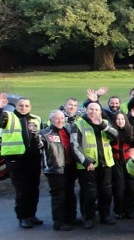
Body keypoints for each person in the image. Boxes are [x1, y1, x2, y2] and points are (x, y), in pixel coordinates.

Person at [72, 102, 119, 228]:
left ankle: (105, 216)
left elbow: (115, 137)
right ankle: (89, 217)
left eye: (96, 109)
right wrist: (86, 162)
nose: (94, 112)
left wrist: (103, 126)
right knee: (90, 194)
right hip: (87, 166)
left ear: (100, 111)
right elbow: (75, 146)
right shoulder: (78, 124)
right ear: (86, 110)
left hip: (106, 163)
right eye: (91, 109)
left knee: (106, 192)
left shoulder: (105, 123)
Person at [0, 94, 43, 229]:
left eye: (26, 106)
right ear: (16, 107)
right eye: (21, 105)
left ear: (30, 107)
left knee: (34, 189)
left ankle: (32, 215)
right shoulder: (8, 116)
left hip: (33, 158)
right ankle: (23, 217)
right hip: (16, 159)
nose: (23, 108)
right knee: (22, 190)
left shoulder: (36, 119)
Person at [40, 110, 78, 231]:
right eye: (56, 118)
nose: (59, 121)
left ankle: (71, 217)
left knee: (70, 193)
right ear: (51, 120)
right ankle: (59, 222)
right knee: (59, 196)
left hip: (70, 167)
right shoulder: (45, 133)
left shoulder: (67, 130)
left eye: (62, 118)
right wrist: (35, 135)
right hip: (55, 169)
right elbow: (37, 144)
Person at [110, 111, 134, 220]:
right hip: (116, 162)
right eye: (118, 119)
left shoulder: (131, 131)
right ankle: (119, 210)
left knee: (132, 187)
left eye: (122, 119)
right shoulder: (111, 132)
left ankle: (129, 210)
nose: (120, 121)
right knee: (119, 188)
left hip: (129, 160)